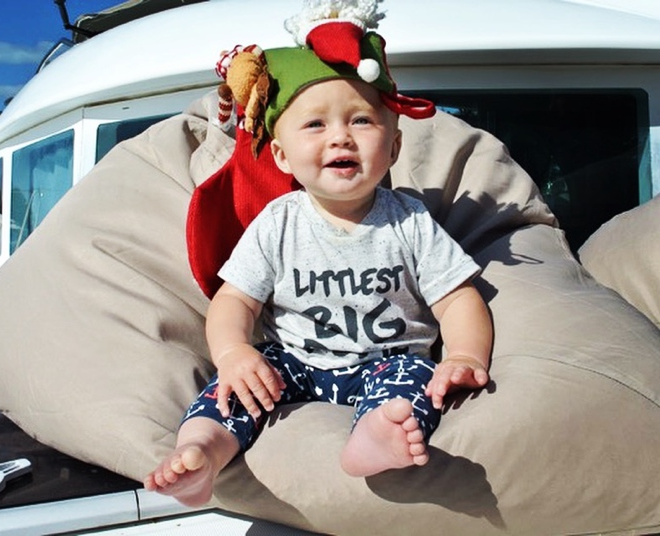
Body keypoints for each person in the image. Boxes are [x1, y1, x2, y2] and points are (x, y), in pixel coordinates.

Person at [144, 1, 492, 508]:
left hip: (386, 362)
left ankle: (374, 437)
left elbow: (457, 299)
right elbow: (235, 300)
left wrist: (463, 356)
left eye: (361, 120)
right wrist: (234, 352)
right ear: (282, 155)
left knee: (414, 381)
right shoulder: (278, 221)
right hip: (295, 361)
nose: (340, 137)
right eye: (315, 125)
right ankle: (202, 451)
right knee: (235, 386)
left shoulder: (410, 220)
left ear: (394, 148)